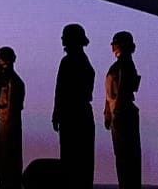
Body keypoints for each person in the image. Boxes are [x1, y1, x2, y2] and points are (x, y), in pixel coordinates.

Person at [52, 23, 95, 189]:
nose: (62, 41)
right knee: (81, 163)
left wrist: (57, 114)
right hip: (80, 114)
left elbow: (61, 90)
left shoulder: (69, 62)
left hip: (73, 116)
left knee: (72, 163)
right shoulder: (83, 62)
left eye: (65, 38)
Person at [104, 31, 141, 189]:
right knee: (122, 157)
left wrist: (116, 113)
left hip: (122, 114)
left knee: (127, 158)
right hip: (118, 114)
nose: (112, 45)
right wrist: (108, 113)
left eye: (115, 42)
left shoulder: (125, 64)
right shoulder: (121, 64)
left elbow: (123, 90)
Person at [0, 46, 25, 189]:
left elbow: (11, 109)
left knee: (8, 169)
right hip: (3, 132)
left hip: (7, 132)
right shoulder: (7, 81)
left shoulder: (13, 83)